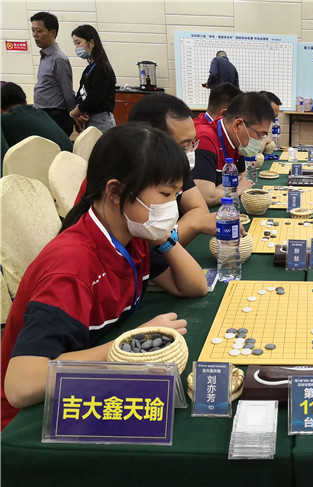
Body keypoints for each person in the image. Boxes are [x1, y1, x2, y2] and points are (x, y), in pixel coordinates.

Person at [1, 124, 208, 430]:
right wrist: (129, 344)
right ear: (115, 192)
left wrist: (162, 236)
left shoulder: (132, 233)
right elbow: (21, 385)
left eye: (175, 195)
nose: (171, 206)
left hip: (84, 378)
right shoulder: (71, 267)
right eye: (165, 195)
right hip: (32, 420)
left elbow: (194, 286)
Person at [125, 93, 219, 246]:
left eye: (193, 143)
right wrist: (193, 224)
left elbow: (199, 209)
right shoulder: (131, 177)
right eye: (184, 146)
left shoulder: (173, 166)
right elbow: (151, 245)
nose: (190, 152)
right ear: (148, 140)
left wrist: (170, 236)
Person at [192, 92, 272, 206]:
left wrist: (220, 189)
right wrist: (236, 190)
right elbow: (206, 196)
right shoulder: (205, 139)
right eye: (260, 134)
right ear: (237, 125)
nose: (260, 140)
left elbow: (242, 179)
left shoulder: (238, 142)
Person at [29, 11, 75, 136]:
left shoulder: (58, 59)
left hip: (55, 117)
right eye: (33, 30)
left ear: (53, 33)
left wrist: (73, 116)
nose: (35, 35)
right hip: (43, 115)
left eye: (39, 31)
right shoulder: (45, 56)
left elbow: (67, 92)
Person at [68, 25, 116, 133]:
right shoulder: (89, 68)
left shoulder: (102, 68)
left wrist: (74, 113)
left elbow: (94, 98)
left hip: (101, 121)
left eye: (78, 43)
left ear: (92, 43)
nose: (77, 48)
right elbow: (81, 93)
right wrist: (81, 110)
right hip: (90, 118)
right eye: (75, 44)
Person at [1, 82, 73, 153]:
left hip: (54, 159)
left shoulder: (5, 120)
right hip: (72, 156)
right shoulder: (42, 114)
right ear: (26, 102)